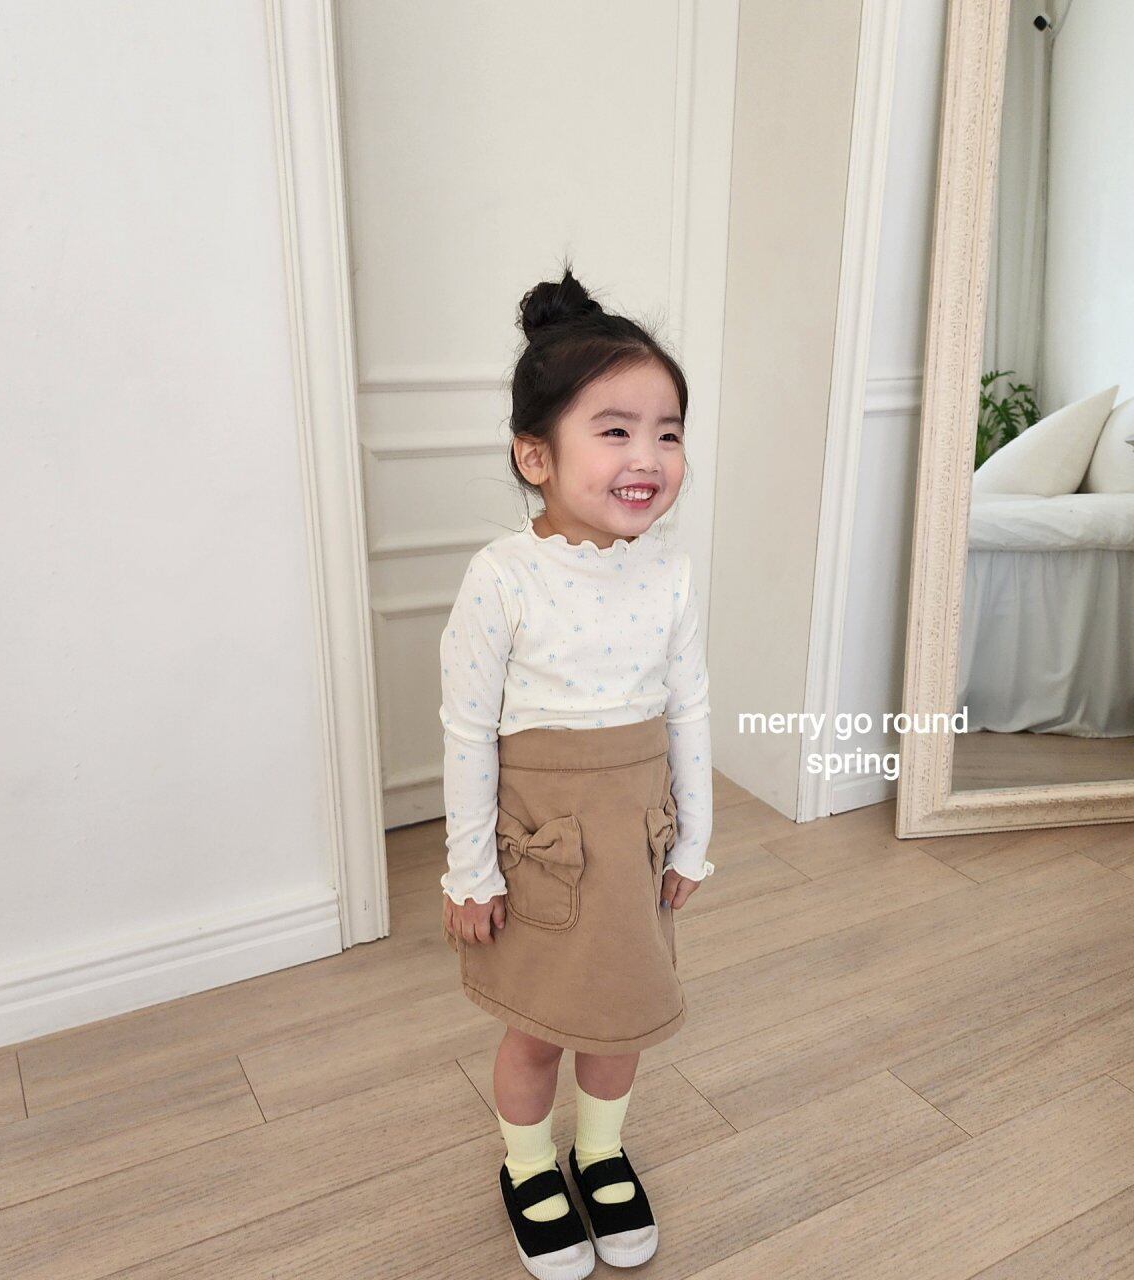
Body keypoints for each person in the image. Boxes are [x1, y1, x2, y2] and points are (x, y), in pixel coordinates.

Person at [438, 262, 714, 1280]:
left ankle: (599, 1150)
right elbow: (467, 731)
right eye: (615, 430)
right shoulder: (502, 579)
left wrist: (693, 839)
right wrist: (471, 870)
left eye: (668, 432)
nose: (647, 456)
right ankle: (525, 1165)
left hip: (635, 837)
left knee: (621, 1009)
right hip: (543, 849)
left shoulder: (669, 574)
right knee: (540, 1026)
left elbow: (687, 708)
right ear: (535, 454)